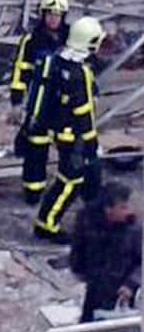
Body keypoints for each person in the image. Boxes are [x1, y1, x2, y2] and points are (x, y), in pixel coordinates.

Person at [28, 17, 106, 243]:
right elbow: (84, 111)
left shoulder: (58, 61)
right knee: (70, 180)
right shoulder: (80, 72)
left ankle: (53, 220)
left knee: (72, 178)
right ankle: (47, 224)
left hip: (56, 129)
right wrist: (91, 144)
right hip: (72, 135)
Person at [69, 181, 142, 332]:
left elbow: (140, 262)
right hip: (95, 287)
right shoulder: (86, 220)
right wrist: (82, 271)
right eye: (122, 207)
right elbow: (78, 249)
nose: (127, 211)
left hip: (121, 292)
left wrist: (130, 284)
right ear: (108, 209)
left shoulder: (133, 229)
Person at [11, 0, 70, 202]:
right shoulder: (32, 40)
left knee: (70, 148)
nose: (54, 18)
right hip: (39, 104)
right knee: (36, 146)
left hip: (64, 104)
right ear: (42, 14)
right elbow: (20, 71)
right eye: (50, 13)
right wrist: (17, 103)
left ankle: (69, 189)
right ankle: (33, 191)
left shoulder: (71, 38)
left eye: (58, 14)